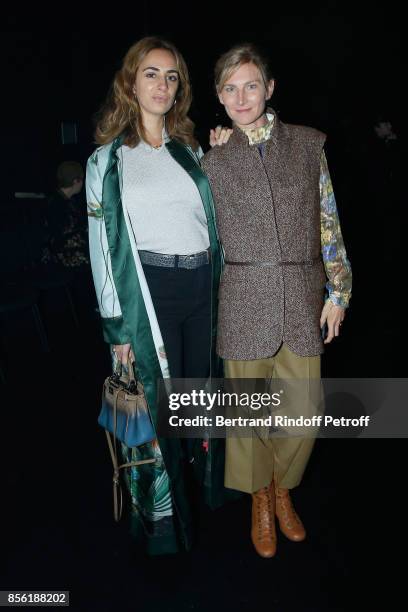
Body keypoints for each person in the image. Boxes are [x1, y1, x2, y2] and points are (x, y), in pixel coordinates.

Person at [202, 43, 352, 558]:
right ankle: (261, 498)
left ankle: (282, 486)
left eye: (250, 85)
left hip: (302, 298)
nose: (241, 96)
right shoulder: (212, 159)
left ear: (269, 88)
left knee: (303, 413)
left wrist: (340, 290)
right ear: (218, 96)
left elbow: (328, 221)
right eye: (229, 87)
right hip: (242, 299)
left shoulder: (309, 144)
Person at [85, 37, 228, 555]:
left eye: (171, 77)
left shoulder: (191, 151)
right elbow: (103, 248)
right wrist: (117, 328)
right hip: (149, 296)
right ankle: (162, 526)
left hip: (201, 292)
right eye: (152, 74)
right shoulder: (106, 161)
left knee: (194, 407)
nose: (162, 85)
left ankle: (200, 498)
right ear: (131, 81)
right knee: (152, 412)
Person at [42, 161, 89, 268]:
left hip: (65, 250)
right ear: (76, 181)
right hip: (59, 256)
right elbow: (60, 236)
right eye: (82, 179)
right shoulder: (57, 204)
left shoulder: (66, 199)